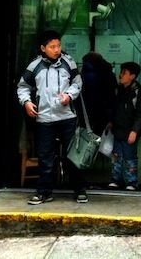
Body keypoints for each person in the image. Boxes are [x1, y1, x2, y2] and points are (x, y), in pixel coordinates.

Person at [17, 30, 87, 205]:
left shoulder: (68, 63)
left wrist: (69, 96)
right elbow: (22, 86)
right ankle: (44, 192)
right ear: (43, 48)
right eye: (52, 46)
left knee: (72, 155)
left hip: (67, 117)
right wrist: (26, 102)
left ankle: (80, 190)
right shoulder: (34, 66)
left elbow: (77, 83)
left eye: (59, 45)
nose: (57, 49)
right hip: (45, 118)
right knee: (45, 157)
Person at [108, 61, 141, 191]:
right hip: (118, 129)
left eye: (124, 73)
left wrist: (135, 131)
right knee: (116, 155)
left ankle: (131, 181)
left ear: (132, 76)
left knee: (129, 157)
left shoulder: (136, 92)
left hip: (130, 131)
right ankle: (115, 179)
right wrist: (110, 122)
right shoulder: (118, 90)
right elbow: (114, 108)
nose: (121, 75)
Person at [80, 52, 117, 136]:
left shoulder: (84, 74)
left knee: (87, 135)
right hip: (104, 110)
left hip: (87, 110)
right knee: (101, 134)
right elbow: (112, 95)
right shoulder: (109, 72)